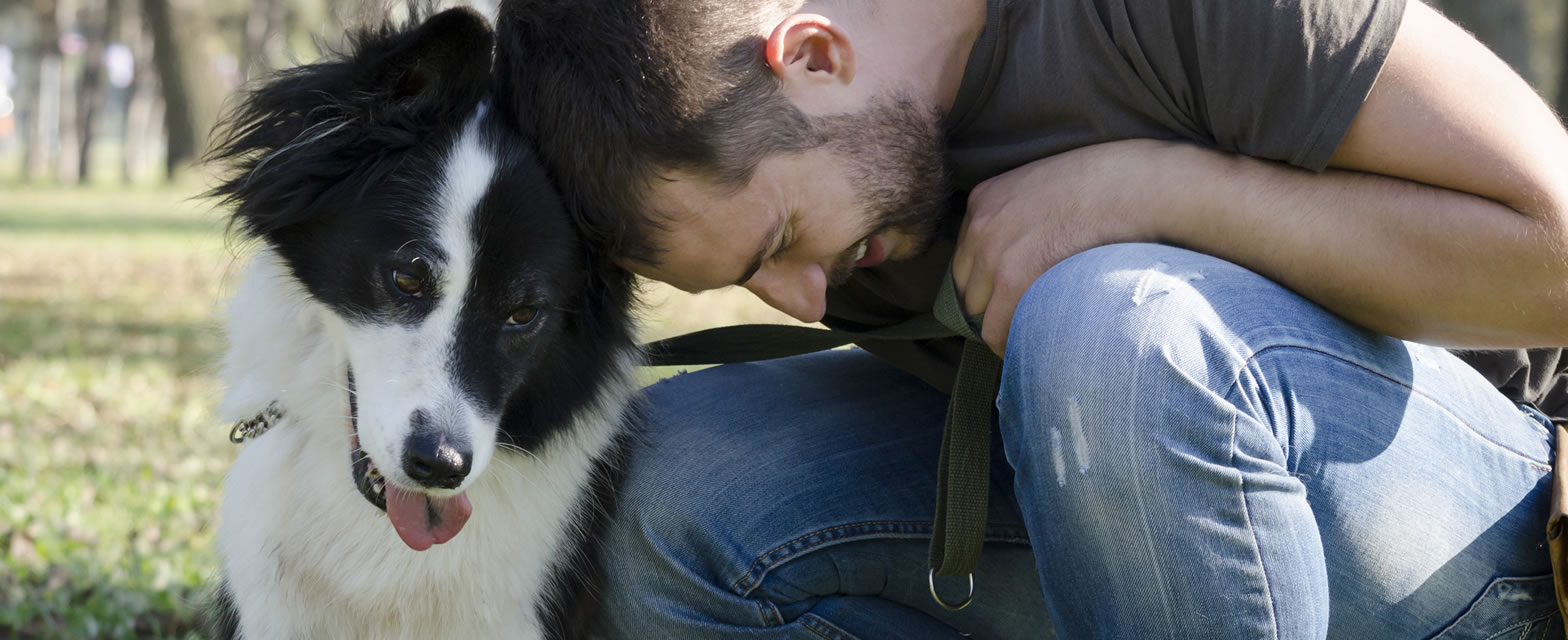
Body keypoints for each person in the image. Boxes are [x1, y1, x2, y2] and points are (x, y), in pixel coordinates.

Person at [494, 0, 1568, 637]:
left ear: (816, 55)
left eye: (778, 244)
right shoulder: (844, 172)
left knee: (1111, 330)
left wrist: (1156, 193)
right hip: (1121, 531)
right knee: (667, 488)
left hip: (1481, 529)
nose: (808, 300)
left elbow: (1557, 249)